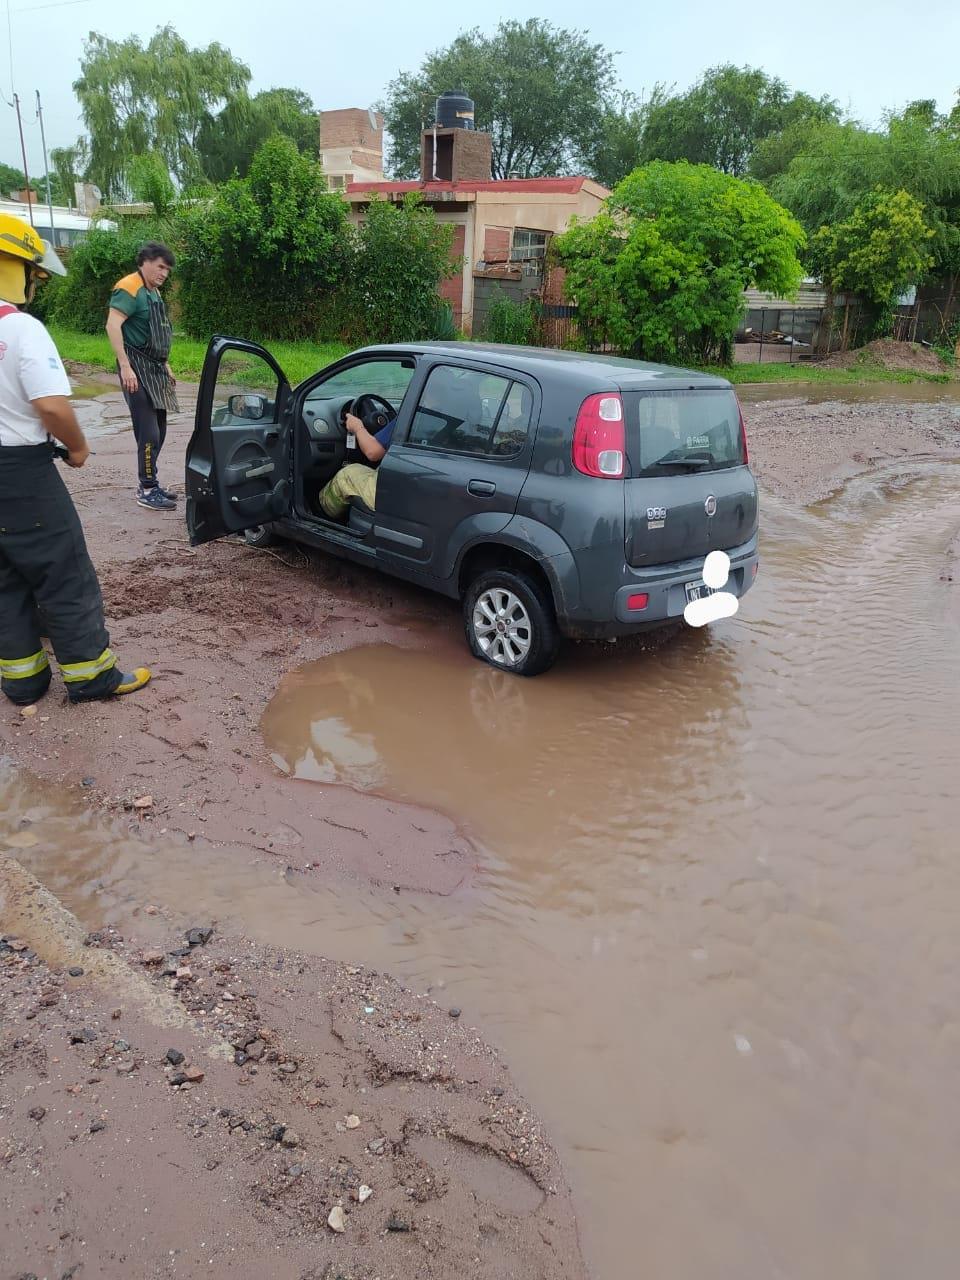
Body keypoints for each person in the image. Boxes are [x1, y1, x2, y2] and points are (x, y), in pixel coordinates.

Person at [0, 213, 151, 706]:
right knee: (63, 570)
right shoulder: (20, 329)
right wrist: (80, 448)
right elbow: (49, 405)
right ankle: (91, 677)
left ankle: (23, 682)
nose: (35, 285)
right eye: (34, 274)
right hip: (22, 472)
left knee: (4, 576)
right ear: (15, 267)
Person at [105, 242, 179, 511]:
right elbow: (113, 325)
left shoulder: (154, 293)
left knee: (160, 429)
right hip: (135, 367)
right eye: (160, 267)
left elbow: (157, 331)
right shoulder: (129, 287)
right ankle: (147, 489)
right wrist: (125, 366)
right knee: (148, 432)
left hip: (155, 367)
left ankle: (150, 483)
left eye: (167, 270)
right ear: (145, 262)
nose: (163, 274)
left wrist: (166, 363)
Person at [318, 410, 395, 519]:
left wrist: (357, 427)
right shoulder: (425, 416)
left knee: (347, 475)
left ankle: (321, 513)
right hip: (417, 494)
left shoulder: (414, 415)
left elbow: (372, 452)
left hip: (393, 492)